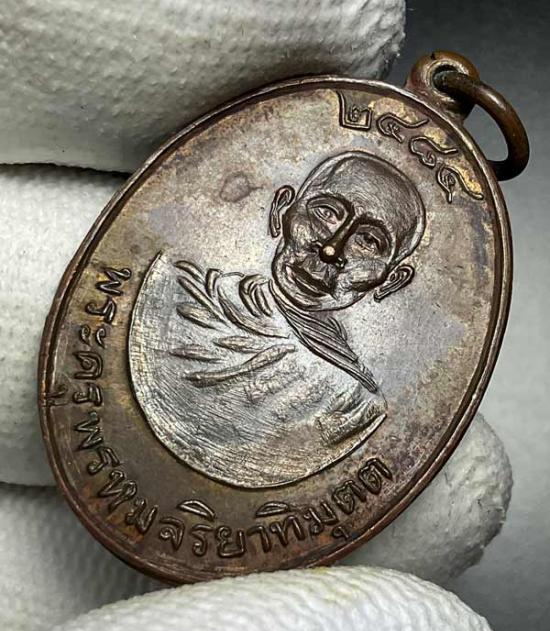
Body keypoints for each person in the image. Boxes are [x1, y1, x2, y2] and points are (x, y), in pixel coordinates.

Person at [129, 151, 426, 488]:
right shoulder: (172, 289)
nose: (331, 249)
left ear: (390, 281)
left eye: (368, 241)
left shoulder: (353, 408)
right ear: (282, 210)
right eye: (326, 212)